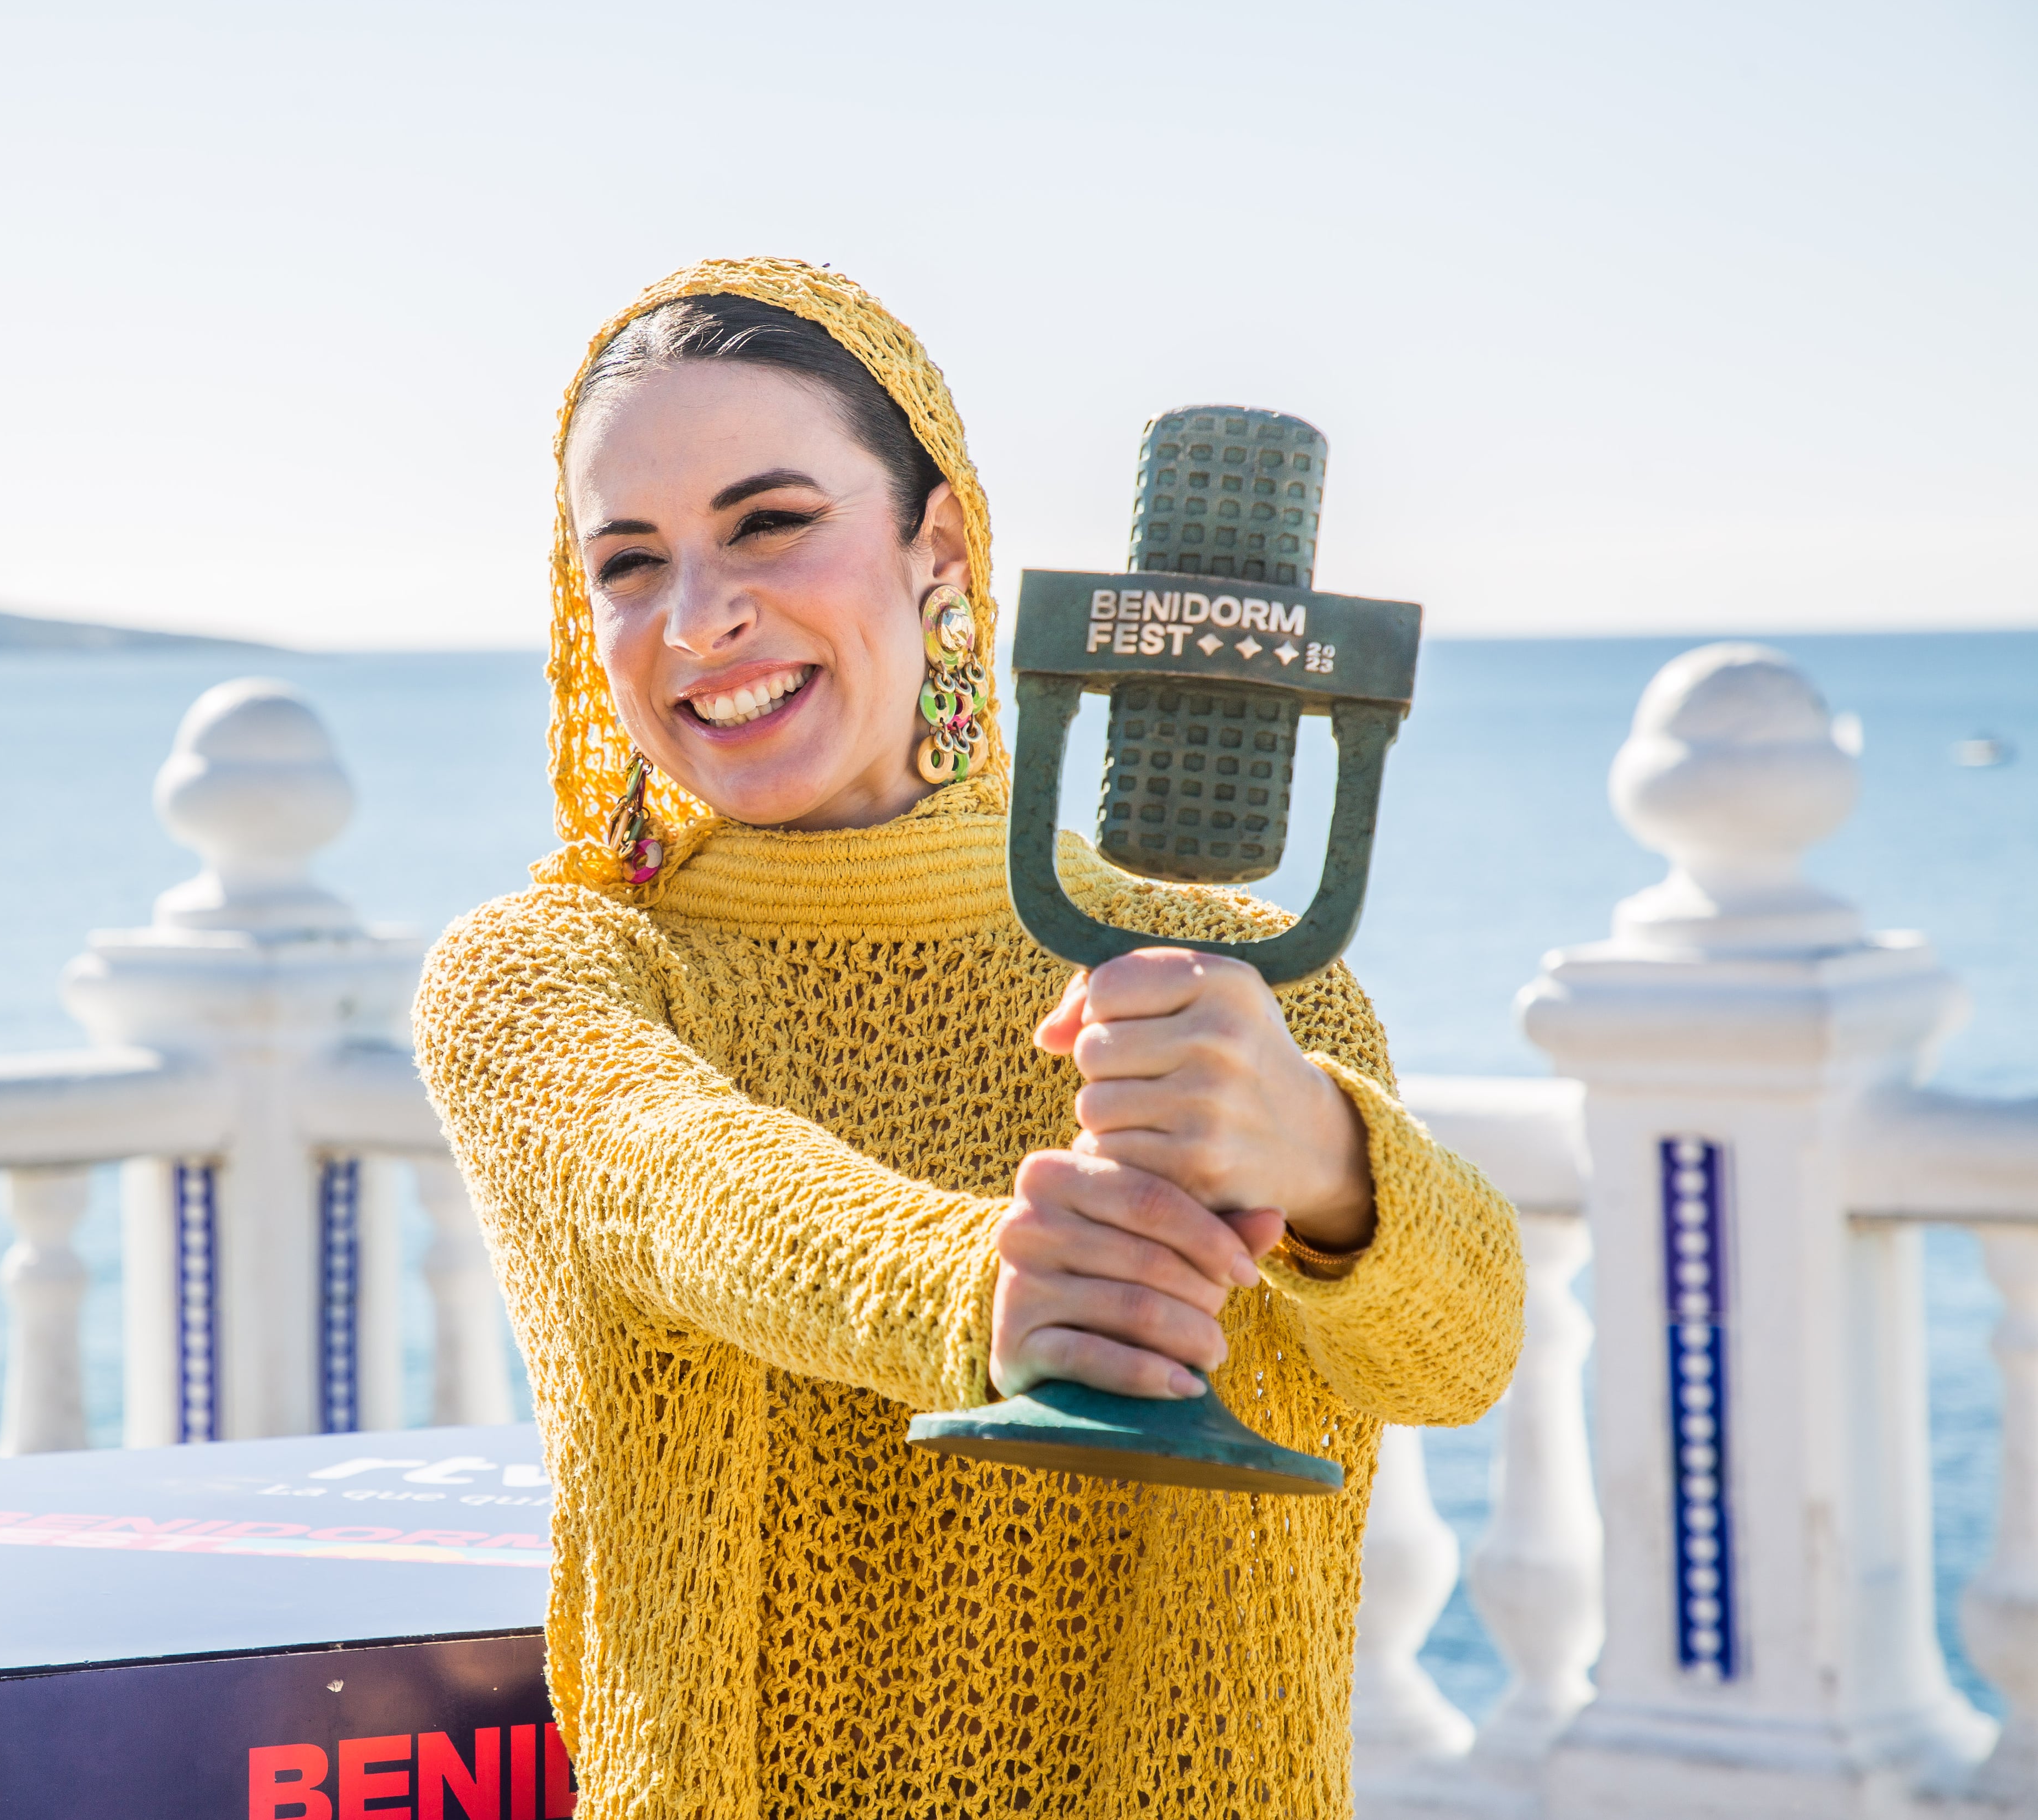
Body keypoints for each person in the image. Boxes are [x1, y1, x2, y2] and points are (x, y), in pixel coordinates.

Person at [412, 257, 1523, 1818]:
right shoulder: (546, 969)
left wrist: (1331, 1160)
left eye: (771, 523)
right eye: (628, 563)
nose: (700, 616)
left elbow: (1462, 1352)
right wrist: (991, 1288)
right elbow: (678, 1182)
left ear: (938, 544)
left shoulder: (1226, 983)